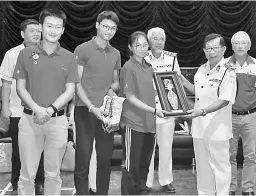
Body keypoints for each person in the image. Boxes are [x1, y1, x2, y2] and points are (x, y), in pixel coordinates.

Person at [12, 8, 79, 195]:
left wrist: (49, 110)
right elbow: (20, 87)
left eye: (58, 27)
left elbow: (70, 91)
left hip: (58, 122)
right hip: (29, 120)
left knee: (53, 174)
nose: (53, 30)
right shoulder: (25, 54)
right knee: (26, 175)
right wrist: (37, 109)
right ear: (41, 27)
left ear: (63, 30)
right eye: (49, 25)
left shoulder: (69, 56)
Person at [181, 33, 237, 196]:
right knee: (203, 166)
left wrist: (202, 111)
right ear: (204, 51)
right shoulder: (201, 69)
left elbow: (225, 100)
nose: (212, 51)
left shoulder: (229, 71)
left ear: (224, 49)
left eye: (215, 48)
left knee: (221, 167)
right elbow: (198, 92)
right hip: (199, 127)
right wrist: (183, 82)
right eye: (208, 48)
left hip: (217, 127)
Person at [73, 11, 121, 195]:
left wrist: (112, 89)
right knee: (83, 159)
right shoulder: (82, 49)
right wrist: (91, 107)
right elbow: (76, 83)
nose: (109, 31)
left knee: (104, 159)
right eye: (106, 26)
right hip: (84, 110)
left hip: (106, 113)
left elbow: (115, 81)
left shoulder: (115, 53)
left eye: (113, 28)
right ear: (97, 25)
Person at [0, 19, 45, 195]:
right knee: (19, 151)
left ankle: (39, 182)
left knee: (39, 148)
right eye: (32, 30)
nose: (36, 33)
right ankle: (17, 183)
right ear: (22, 34)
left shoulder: (46, 53)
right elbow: (5, 83)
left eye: (38, 30)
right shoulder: (12, 54)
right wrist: (5, 108)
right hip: (17, 111)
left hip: (40, 111)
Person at [119, 31, 166, 195]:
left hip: (150, 124)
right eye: (137, 45)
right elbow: (130, 97)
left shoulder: (148, 67)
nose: (142, 48)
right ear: (130, 47)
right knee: (132, 165)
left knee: (144, 164)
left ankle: (140, 190)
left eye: (145, 45)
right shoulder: (128, 67)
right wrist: (154, 110)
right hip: (134, 123)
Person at [226, 31, 256, 196]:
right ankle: (230, 187)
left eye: (244, 43)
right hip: (229, 116)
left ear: (249, 46)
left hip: (250, 116)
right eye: (237, 43)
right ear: (232, 46)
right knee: (229, 155)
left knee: (250, 155)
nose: (240, 46)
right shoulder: (224, 64)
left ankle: (248, 189)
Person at [144, 27, 181, 194]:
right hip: (148, 110)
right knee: (148, 148)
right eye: (155, 39)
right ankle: (146, 182)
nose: (159, 42)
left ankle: (166, 180)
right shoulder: (142, 58)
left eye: (162, 39)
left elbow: (177, 82)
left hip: (167, 111)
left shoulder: (172, 59)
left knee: (166, 147)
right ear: (149, 41)